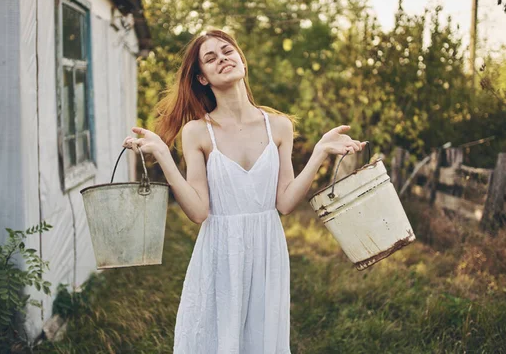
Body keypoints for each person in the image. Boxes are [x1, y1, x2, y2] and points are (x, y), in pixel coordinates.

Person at [122, 29, 366, 354]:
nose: (222, 58)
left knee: (261, 341)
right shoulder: (196, 132)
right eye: (211, 58)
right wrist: (164, 156)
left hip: (268, 248)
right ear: (203, 78)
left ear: (242, 60)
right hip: (220, 250)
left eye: (227, 51)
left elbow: (286, 202)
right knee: (216, 339)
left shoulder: (278, 126)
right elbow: (198, 212)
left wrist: (320, 151)